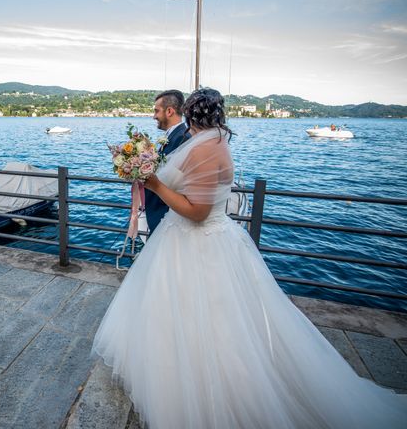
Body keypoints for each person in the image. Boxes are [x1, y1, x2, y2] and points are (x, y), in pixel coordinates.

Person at [92, 87, 406, 428]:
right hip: (201, 236)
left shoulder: (205, 150)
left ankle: (202, 383)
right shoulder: (214, 142)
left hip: (196, 239)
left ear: (192, 115)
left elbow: (197, 213)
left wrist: (153, 184)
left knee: (206, 315)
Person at [144, 89, 191, 236]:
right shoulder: (174, 135)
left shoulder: (183, 138)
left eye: (156, 111)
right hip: (159, 214)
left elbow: (179, 182)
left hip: (166, 214)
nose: (154, 116)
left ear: (169, 111)